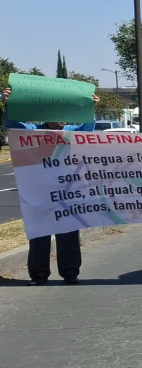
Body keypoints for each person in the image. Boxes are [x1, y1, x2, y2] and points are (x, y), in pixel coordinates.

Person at [2, 87, 99, 285]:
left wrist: (91, 108)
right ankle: (38, 275)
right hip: (39, 192)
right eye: (59, 114)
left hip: (66, 191)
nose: (63, 119)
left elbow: (87, 129)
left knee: (68, 232)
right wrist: (8, 102)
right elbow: (11, 124)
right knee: (39, 233)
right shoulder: (32, 131)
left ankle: (70, 273)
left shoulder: (71, 132)